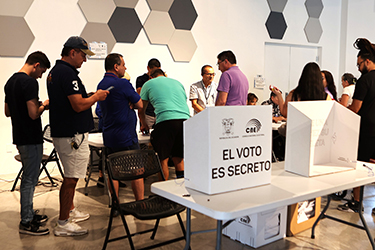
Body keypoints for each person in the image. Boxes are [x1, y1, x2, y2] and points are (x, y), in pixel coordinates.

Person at [47, 36, 109, 236]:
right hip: (71, 135)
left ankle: (70, 211)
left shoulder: (57, 72)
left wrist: (88, 96)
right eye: (83, 55)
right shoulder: (67, 74)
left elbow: (72, 101)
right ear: (72, 52)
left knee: (71, 176)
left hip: (66, 132)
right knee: (71, 178)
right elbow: (78, 105)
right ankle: (63, 223)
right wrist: (96, 97)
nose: (85, 60)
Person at [4, 51, 51, 235]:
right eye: (42, 71)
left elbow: (7, 112)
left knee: (29, 178)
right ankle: (26, 222)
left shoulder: (10, 82)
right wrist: (44, 105)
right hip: (31, 137)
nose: (41, 76)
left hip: (19, 136)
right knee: (30, 180)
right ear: (36, 65)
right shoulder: (30, 82)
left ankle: (29, 213)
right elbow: (33, 114)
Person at [97, 53, 144, 201]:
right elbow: (140, 104)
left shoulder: (101, 84)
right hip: (126, 135)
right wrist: (130, 102)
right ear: (116, 67)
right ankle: (140, 203)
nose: (125, 67)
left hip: (109, 134)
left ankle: (115, 203)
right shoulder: (123, 83)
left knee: (114, 170)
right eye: (123, 65)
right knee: (137, 170)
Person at [337, 38, 375, 213]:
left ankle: (356, 203)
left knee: (359, 165)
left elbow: (356, 108)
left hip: (366, 130)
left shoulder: (365, 80)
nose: (358, 68)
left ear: (367, 61)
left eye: (359, 64)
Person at [139, 69, 190, 180]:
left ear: (151, 77)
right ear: (164, 75)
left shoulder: (148, 84)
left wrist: (144, 124)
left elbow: (141, 107)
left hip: (166, 121)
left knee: (163, 158)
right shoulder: (177, 82)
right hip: (185, 120)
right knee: (179, 157)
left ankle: (163, 192)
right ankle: (182, 188)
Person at [136, 58, 161, 128]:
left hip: (159, 112)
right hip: (146, 113)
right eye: (153, 70)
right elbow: (140, 94)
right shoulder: (141, 79)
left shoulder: (161, 80)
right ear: (148, 68)